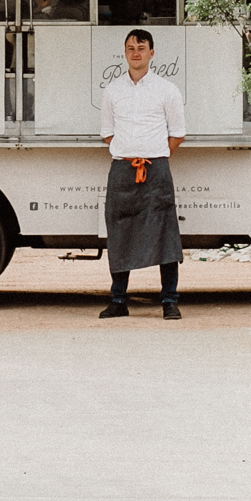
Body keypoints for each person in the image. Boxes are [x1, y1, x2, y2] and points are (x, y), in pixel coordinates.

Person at [98, 27, 186, 319]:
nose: (135, 53)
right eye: (130, 48)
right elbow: (108, 134)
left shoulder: (167, 90)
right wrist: (131, 152)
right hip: (123, 169)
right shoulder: (112, 91)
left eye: (141, 47)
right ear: (125, 54)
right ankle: (118, 301)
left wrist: (152, 155)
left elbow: (177, 135)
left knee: (165, 233)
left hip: (156, 169)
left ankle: (169, 301)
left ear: (152, 53)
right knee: (120, 232)